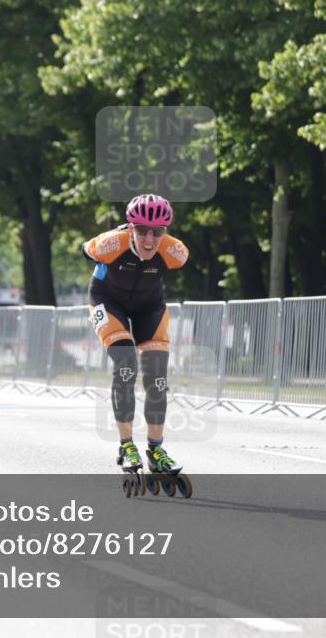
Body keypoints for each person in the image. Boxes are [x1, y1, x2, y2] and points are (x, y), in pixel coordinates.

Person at [81, 194, 189, 474]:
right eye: (141, 230)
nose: (150, 239)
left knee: (156, 377)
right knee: (127, 366)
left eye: (158, 232)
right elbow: (85, 249)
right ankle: (127, 445)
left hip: (148, 306)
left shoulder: (175, 251)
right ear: (130, 228)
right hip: (108, 300)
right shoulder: (108, 244)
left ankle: (156, 449)